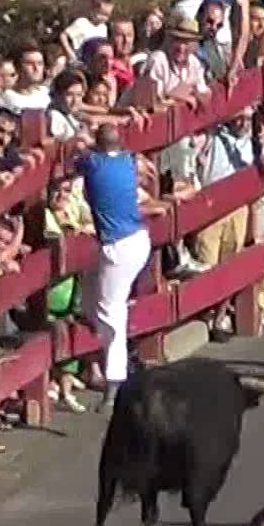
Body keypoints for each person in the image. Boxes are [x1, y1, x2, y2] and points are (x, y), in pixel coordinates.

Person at [77, 122, 167, 400]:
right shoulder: (129, 161)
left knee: (111, 311)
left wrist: (84, 138)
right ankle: (100, 355)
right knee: (94, 298)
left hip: (117, 245)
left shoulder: (93, 164)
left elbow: (78, 148)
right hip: (138, 238)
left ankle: (115, 377)